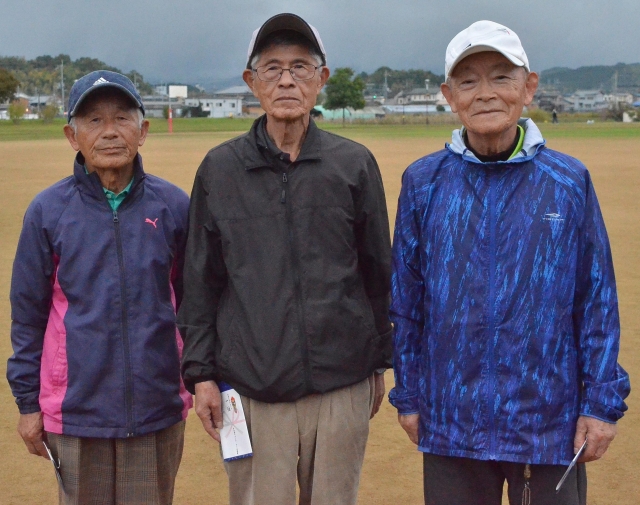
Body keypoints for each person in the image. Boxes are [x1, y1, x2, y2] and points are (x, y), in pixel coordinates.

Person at [389, 20, 630, 505]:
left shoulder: (568, 181)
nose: (485, 93)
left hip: (547, 425)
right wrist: (410, 396)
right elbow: (406, 302)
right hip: (451, 421)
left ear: (528, 87)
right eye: (468, 80)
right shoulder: (423, 184)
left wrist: (601, 404)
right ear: (448, 94)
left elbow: (597, 299)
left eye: (501, 76)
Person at [178, 13, 392, 505]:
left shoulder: (353, 164)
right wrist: (202, 374)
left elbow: (378, 271)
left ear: (323, 78)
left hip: (342, 382)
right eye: (271, 69)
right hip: (252, 388)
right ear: (251, 82)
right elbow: (200, 282)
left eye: (301, 66)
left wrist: (378, 361)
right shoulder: (220, 169)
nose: (287, 80)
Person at [7, 70, 192, 505]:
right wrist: (27, 403)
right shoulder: (48, 211)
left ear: (142, 131)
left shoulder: (174, 207)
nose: (109, 132)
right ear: (72, 136)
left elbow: (195, 304)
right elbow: (28, 315)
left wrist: (201, 379)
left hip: (155, 407)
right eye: (93, 120)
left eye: (122, 118)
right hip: (75, 412)